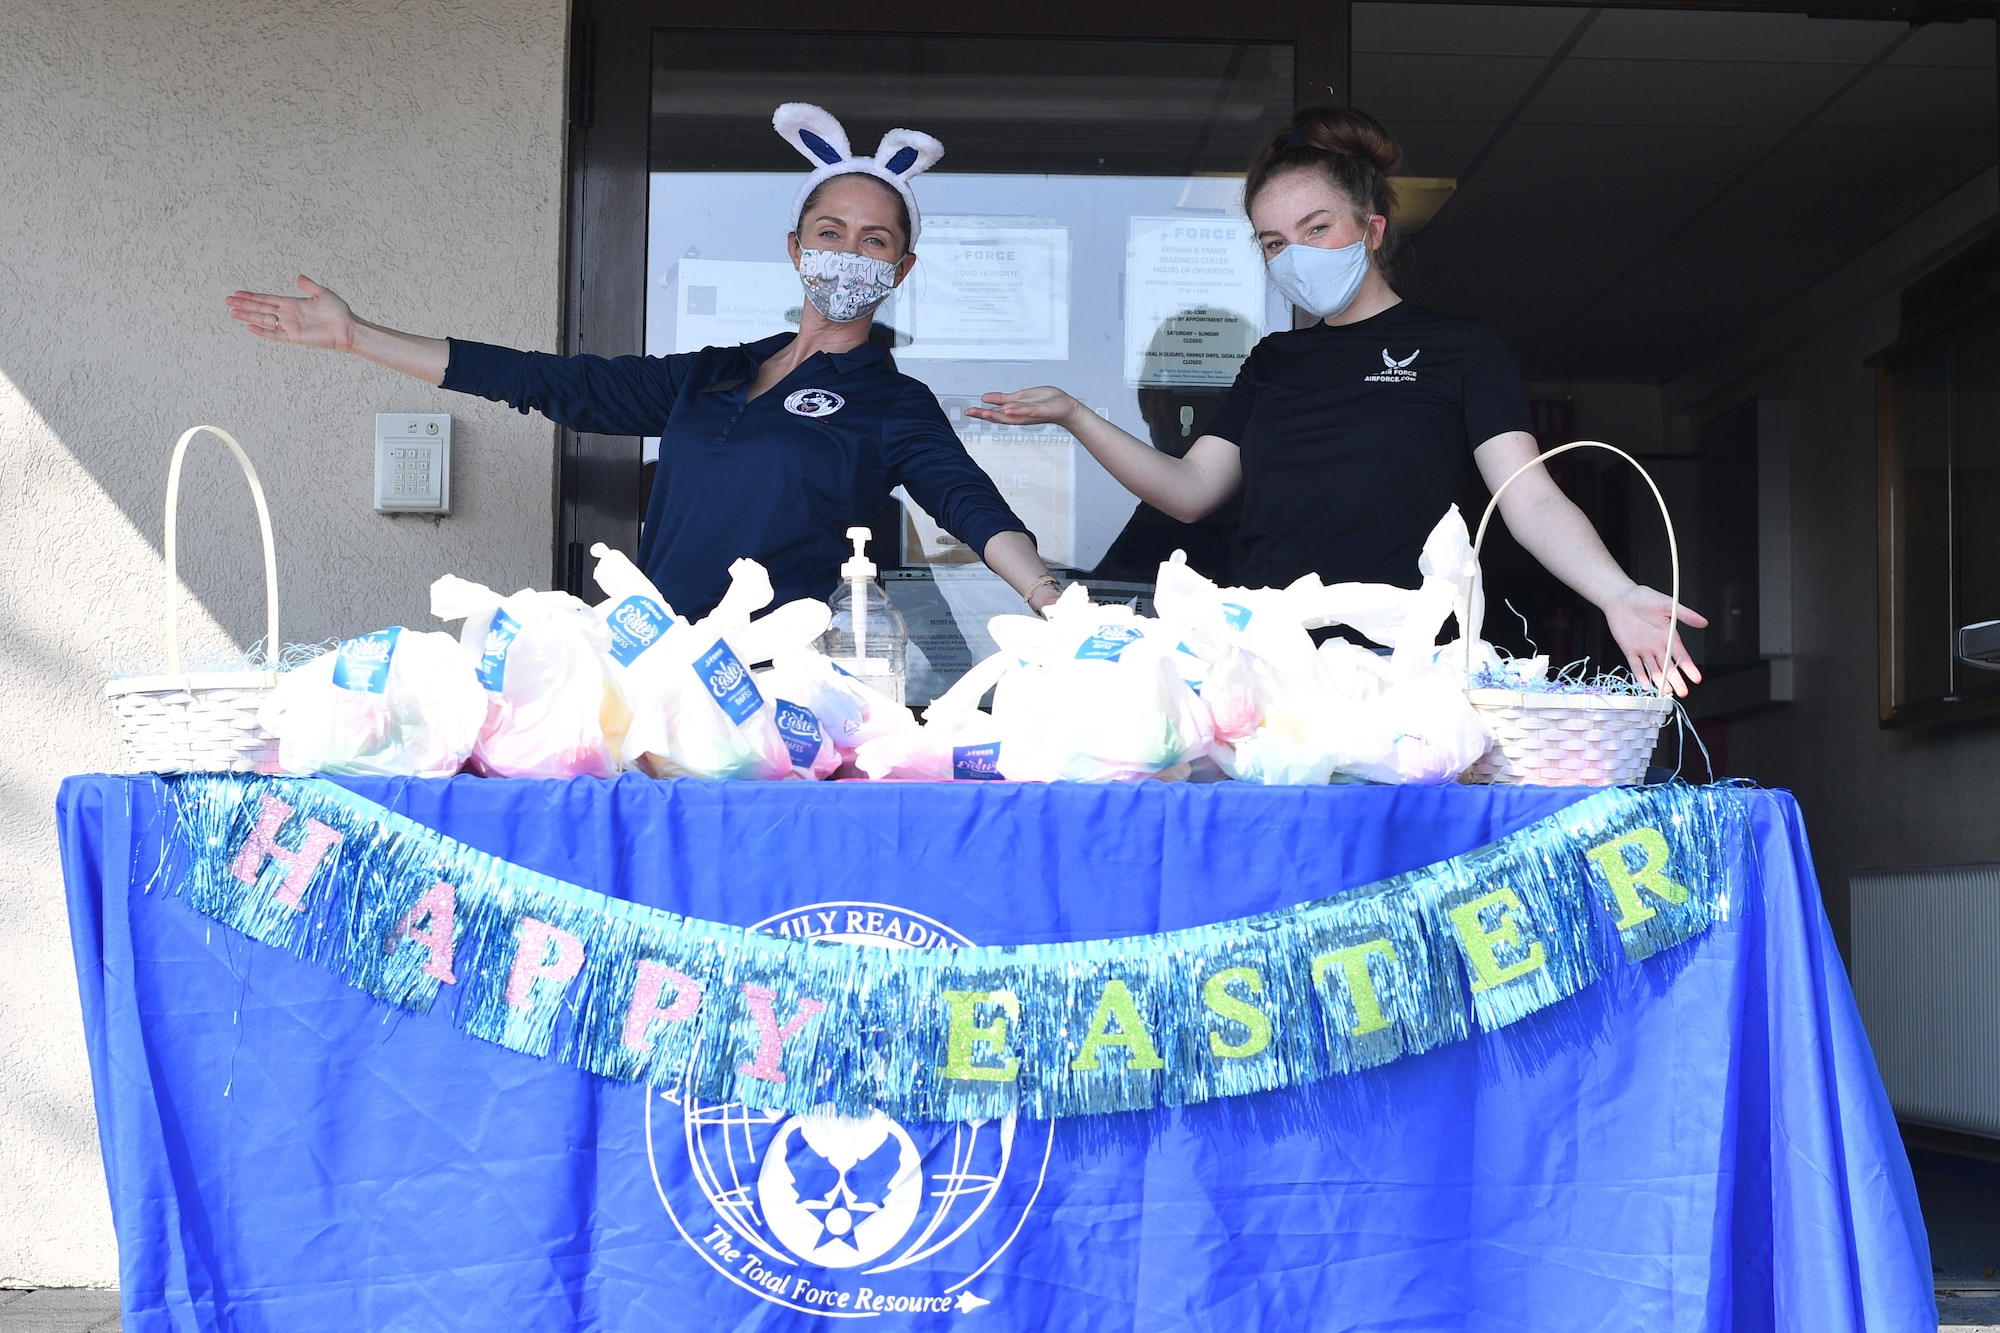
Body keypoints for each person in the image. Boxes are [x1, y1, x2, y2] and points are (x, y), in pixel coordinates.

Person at [226, 103, 1063, 620]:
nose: (849, 253)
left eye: (874, 240)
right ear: (795, 248)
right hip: (660, 673)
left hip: (786, 696)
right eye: (830, 233)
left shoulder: (893, 402)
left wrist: (1047, 598)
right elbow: (549, 383)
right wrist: (356, 335)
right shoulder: (714, 374)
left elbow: (970, 504)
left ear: (900, 270)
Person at [971, 106, 1705, 695]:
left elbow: (1531, 500)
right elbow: (1189, 491)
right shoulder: (1274, 362)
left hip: (1409, 673)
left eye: (1316, 228)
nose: (1294, 254)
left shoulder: (1460, 349)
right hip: (1270, 671)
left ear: (1371, 229)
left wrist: (1617, 593)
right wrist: (1073, 414)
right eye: (1272, 242)